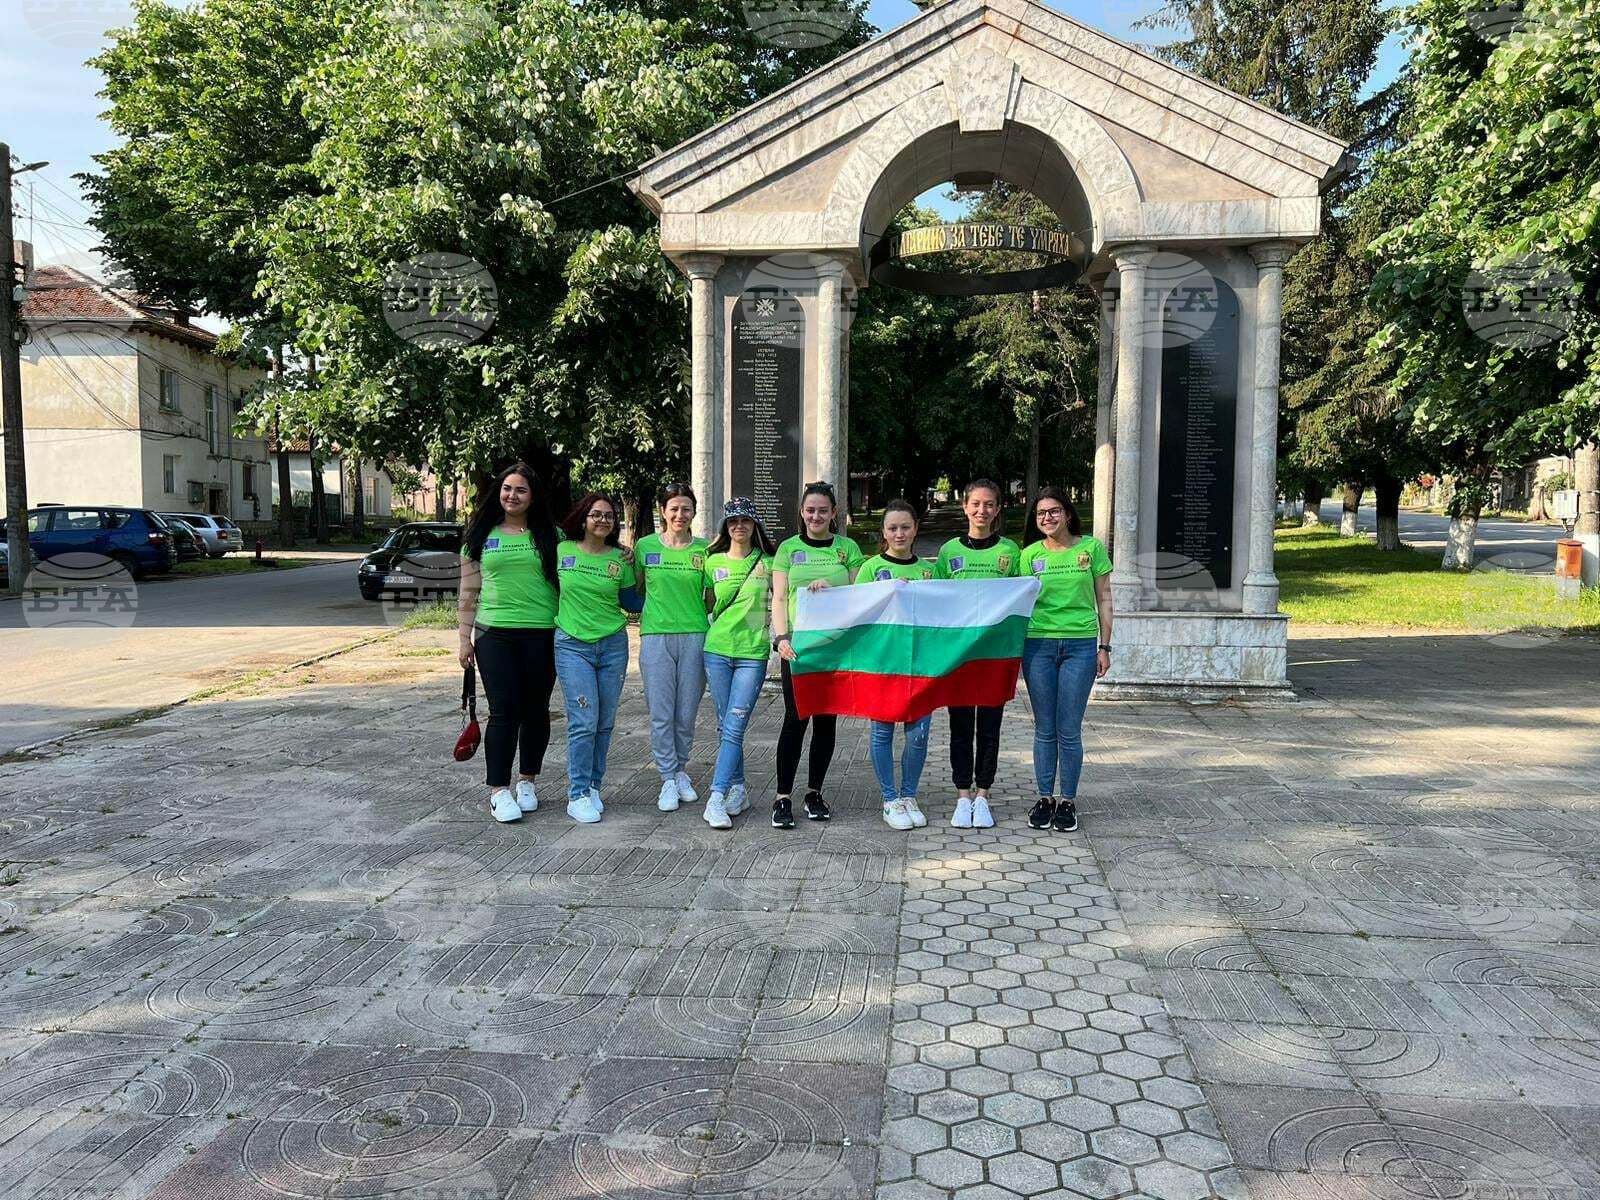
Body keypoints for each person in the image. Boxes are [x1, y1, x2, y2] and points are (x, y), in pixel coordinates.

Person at [456, 463, 562, 825]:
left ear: (533, 497)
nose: (512, 495)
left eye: (520, 490)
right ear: (498, 492)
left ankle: (527, 781)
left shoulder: (553, 536)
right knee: (503, 710)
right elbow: (468, 592)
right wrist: (464, 639)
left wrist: (622, 553)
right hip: (494, 633)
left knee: (536, 709)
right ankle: (498, 791)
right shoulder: (479, 535)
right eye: (507, 488)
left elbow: (583, 559)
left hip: (543, 632)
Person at [1018, 487, 1112, 833]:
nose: (1047, 518)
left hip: (1080, 646)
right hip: (1038, 646)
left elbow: (1105, 598)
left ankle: (1068, 801)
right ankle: (1045, 798)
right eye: (1041, 513)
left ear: (1068, 514)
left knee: (1068, 729)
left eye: (1054, 511)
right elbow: (1018, 603)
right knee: (1045, 728)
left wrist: (1105, 646)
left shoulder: (1091, 549)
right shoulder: (1029, 555)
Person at [770, 481, 863, 829]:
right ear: (802, 512)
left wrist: (832, 587)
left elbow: (861, 594)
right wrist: (781, 637)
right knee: (795, 719)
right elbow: (779, 598)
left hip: (834, 646)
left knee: (826, 720)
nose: (816, 516)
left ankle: (814, 793)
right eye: (810, 510)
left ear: (834, 513)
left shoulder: (847, 548)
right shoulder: (788, 549)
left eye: (823, 510)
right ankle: (782, 797)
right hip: (798, 648)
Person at [934, 478, 1021, 829]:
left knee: (989, 727)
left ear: (998, 509)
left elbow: (1020, 598)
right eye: (975, 504)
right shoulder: (948, 552)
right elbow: (936, 598)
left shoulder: (1011, 552)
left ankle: (983, 794)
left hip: (994, 656)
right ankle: (962, 795)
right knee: (959, 727)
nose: (981, 510)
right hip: (959, 655)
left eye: (989, 504)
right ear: (965, 506)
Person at [554, 492, 637, 824]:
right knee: (584, 721)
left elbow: (632, 603)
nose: (603, 520)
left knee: (604, 722)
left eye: (609, 516)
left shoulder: (620, 559)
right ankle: (576, 794)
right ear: (583, 518)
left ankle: (592, 787)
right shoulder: (562, 550)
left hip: (613, 645)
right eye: (596, 514)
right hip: (572, 646)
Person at [857, 500, 935, 831]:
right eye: (892, 528)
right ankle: (890, 799)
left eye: (905, 527)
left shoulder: (929, 571)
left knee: (918, 735)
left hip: (921, 665)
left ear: (915, 529)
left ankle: (909, 795)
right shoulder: (871, 568)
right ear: (884, 532)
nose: (899, 533)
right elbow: (855, 612)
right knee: (883, 732)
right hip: (883, 665)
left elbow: (943, 614)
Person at [699, 496, 776, 830]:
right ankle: (738, 789)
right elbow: (707, 603)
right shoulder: (712, 561)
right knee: (726, 725)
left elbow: (785, 598)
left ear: (754, 524)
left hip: (752, 654)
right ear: (725, 526)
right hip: (717, 650)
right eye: (733, 521)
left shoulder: (769, 563)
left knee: (734, 724)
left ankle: (716, 797)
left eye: (745, 520)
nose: (739, 526)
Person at [634, 483, 709, 813]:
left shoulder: (706, 550)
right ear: (662, 511)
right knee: (661, 712)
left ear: (694, 512)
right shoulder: (645, 546)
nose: (680, 514)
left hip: (695, 635)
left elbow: (711, 597)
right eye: (674, 508)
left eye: (686, 509)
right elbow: (637, 588)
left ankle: (680, 770)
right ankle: (667, 776)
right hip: (656, 636)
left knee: (686, 712)